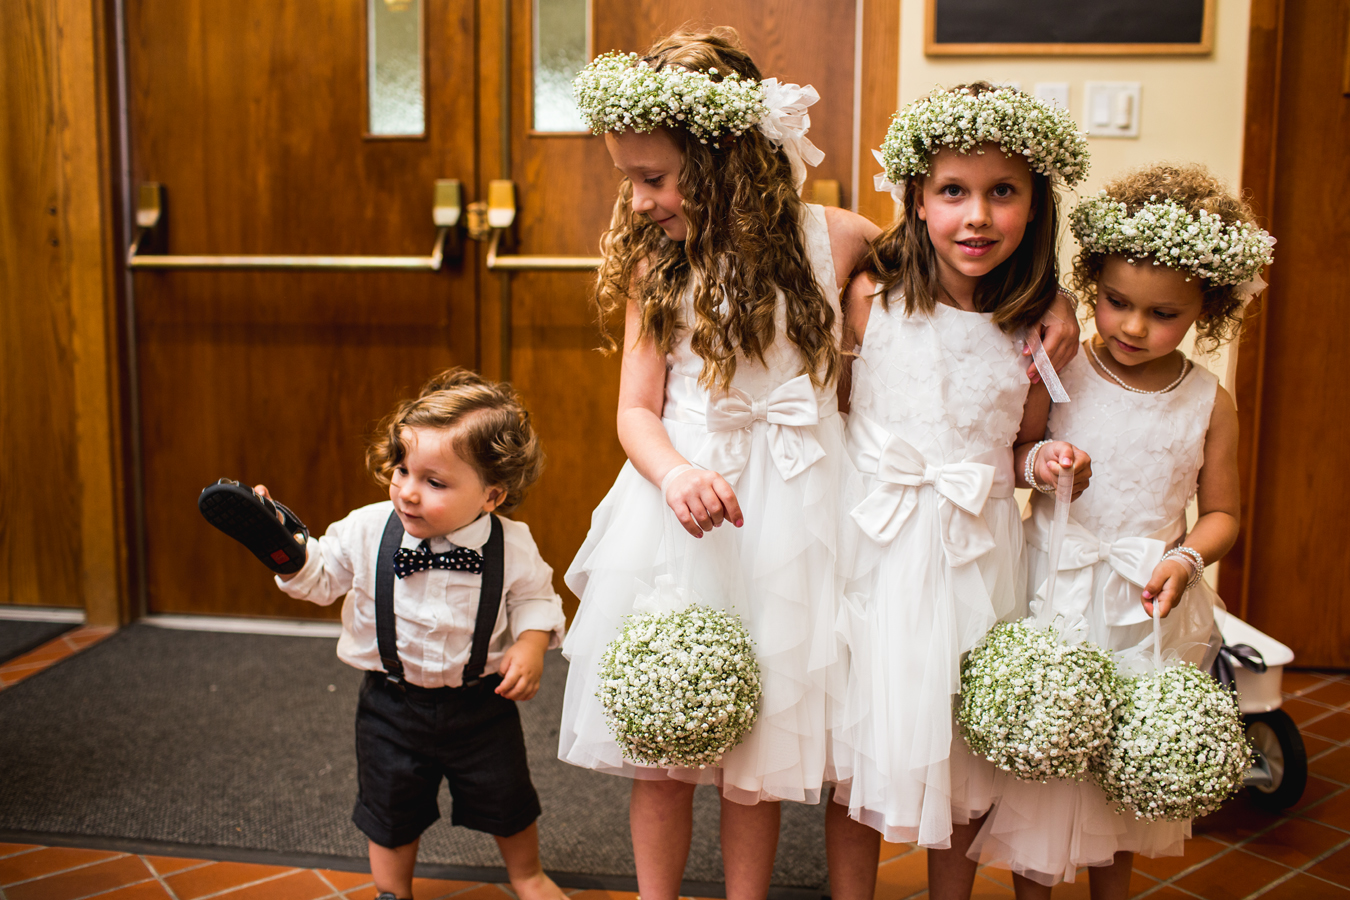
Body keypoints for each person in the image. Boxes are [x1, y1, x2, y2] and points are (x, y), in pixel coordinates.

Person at [557, 26, 882, 900]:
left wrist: (1053, 308)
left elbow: (955, 285)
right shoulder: (657, 264)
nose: (639, 199)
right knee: (661, 747)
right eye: (628, 177)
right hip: (685, 503)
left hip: (801, 509)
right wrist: (674, 474)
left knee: (762, 746)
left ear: (729, 160)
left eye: (655, 178)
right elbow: (634, 410)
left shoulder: (838, 238)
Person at [970, 163, 1275, 898]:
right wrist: (1044, 460)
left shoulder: (1208, 400)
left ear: (1211, 307)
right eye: (1115, 302)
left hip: (1147, 610)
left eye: (1163, 314)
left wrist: (1186, 557)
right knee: (1042, 772)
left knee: (1122, 779)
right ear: (1092, 285)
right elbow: (1011, 456)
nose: (1134, 327)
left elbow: (1225, 514)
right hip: (1055, 594)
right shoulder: (1060, 370)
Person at [831, 82, 1090, 900]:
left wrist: (1043, 467)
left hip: (978, 556)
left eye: (1001, 192)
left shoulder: (1032, 326)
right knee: (856, 751)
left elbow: (1020, 446)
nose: (977, 216)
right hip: (874, 546)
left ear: (1034, 204)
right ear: (914, 196)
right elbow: (836, 412)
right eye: (953, 191)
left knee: (966, 753)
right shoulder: (871, 296)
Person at [228, 369, 567, 900]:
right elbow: (319, 580)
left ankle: (528, 875)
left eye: (434, 482)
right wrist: (287, 550)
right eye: (403, 469)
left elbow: (535, 599)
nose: (407, 491)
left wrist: (529, 645)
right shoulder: (366, 529)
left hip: (481, 705)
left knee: (509, 799)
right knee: (388, 807)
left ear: (491, 496)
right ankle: (393, 891)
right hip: (390, 704)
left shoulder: (513, 545)